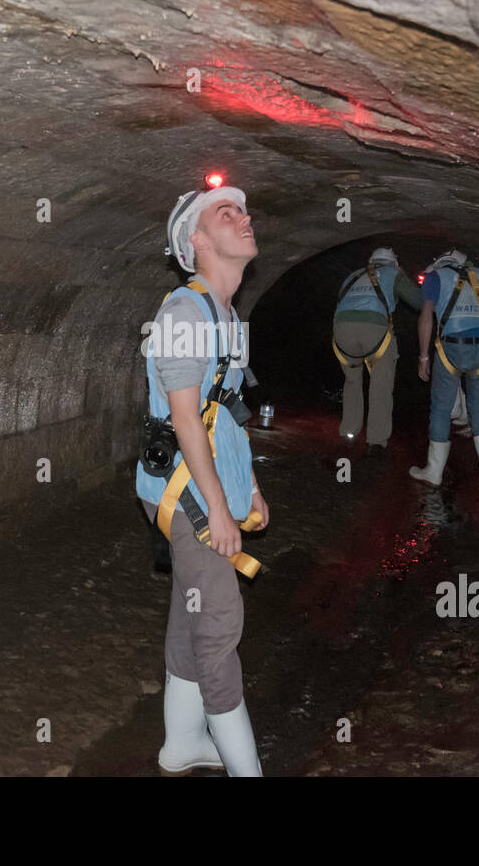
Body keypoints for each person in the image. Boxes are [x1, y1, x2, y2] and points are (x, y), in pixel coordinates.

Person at [135, 179, 268, 776]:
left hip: (207, 486)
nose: (243, 218)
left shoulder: (228, 317)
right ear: (196, 241)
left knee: (192, 612)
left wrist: (250, 491)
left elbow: (226, 413)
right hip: (184, 494)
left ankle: (182, 743)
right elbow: (185, 418)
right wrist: (218, 508)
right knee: (218, 624)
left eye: (242, 210)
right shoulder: (185, 313)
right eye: (226, 213)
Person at [409, 249, 479, 486]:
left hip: (453, 346)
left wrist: (423, 357)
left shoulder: (436, 277)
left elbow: (426, 316)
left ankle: (433, 472)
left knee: (441, 408)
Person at [331, 247, 422, 454]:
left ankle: (349, 432)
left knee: (352, 380)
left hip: (341, 330)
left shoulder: (353, 275)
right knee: (380, 384)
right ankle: (376, 441)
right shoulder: (393, 273)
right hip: (374, 329)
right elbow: (418, 301)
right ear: (394, 263)